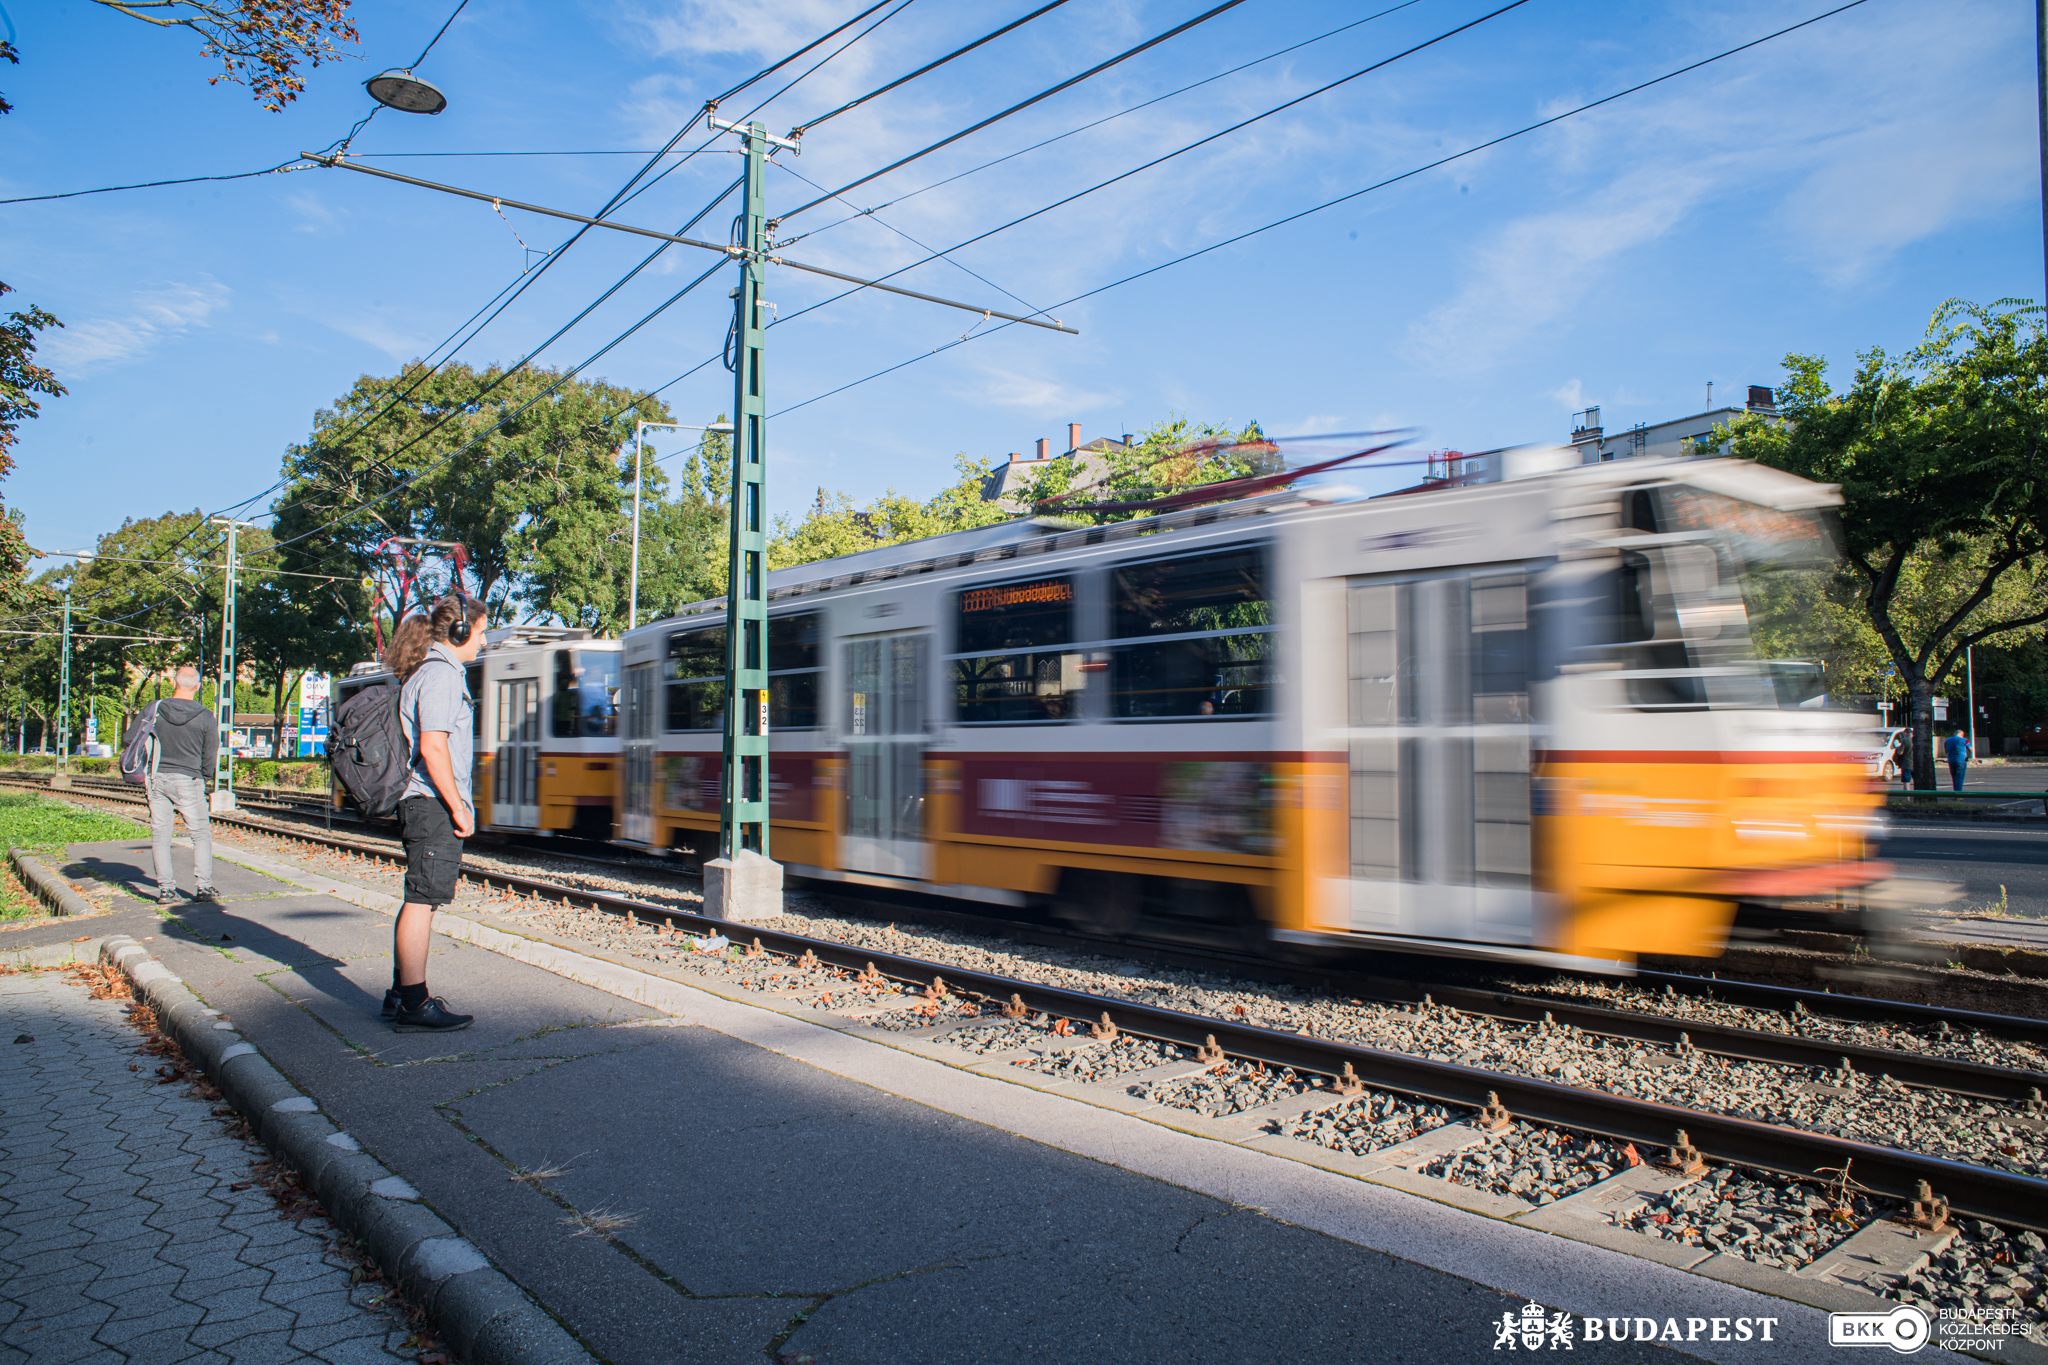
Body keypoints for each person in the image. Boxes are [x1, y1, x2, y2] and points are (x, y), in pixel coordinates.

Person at [383, 595, 488, 1033]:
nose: (483, 642)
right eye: (481, 633)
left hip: (423, 802)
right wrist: (459, 805)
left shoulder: (430, 671)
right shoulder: (442, 675)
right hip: (431, 802)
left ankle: (400, 992)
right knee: (422, 900)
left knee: (421, 897)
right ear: (461, 632)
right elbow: (434, 746)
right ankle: (414, 1003)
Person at [128, 665, 220, 905]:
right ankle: (204, 888)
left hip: (156, 777)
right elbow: (210, 753)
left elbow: (129, 739)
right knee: (200, 834)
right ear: (198, 687)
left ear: (173, 684)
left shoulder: (154, 709)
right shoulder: (205, 715)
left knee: (160, 835)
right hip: (189, 779)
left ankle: (167, 891)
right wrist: (204, 776)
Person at [1945, 727, 1973, 792]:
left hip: (1951, 760)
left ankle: (1955, 793)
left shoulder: (1947, 740)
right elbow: (1971, 750)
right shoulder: (1965, 740)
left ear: (1954, 733)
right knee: (1960, 778)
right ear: (1962, 734)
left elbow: (1946, 751)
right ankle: (1959, 794)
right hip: (1961, 760)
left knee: (1954, 778)